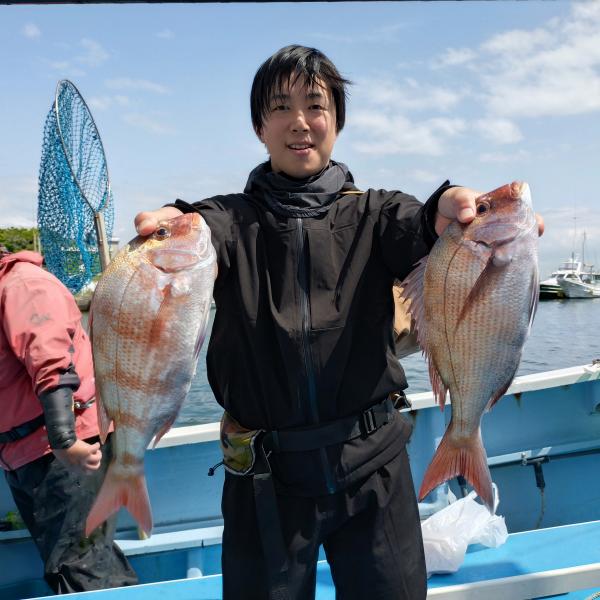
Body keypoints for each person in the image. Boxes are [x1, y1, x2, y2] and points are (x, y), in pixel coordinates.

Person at [135, 45, 543, 600]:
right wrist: (172, 226)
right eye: (281, 107)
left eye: (315, 106)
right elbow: (197, 229)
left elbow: (422, 222)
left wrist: (448, 206)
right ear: (259, 126)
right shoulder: (230, 219)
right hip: (265, 478)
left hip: (373, 464)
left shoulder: (377, 212)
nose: (299, 122)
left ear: (337, 121)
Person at [0, 247, 138, 594]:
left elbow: (53, 364)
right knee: (69, 564)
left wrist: (64, 441)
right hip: (22, 457)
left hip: (63, 452)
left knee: (82, 569)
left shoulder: (23, 286)